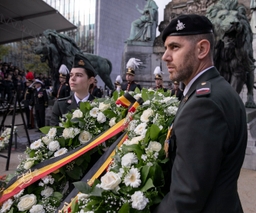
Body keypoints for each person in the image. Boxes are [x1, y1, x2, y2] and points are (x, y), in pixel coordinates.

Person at [154, 14, 247, 213]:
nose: (165, 56)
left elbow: (185, 198)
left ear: (202, 49)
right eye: (166, 48)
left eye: (175, 47)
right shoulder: (215, 90)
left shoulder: (203, 105)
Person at [50, 53, 96, 126]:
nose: (72, 79)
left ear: (90, 80)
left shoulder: (99, 105)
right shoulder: (60, 106)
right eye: (71, 75)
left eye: (78, 75)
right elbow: (53, 134)